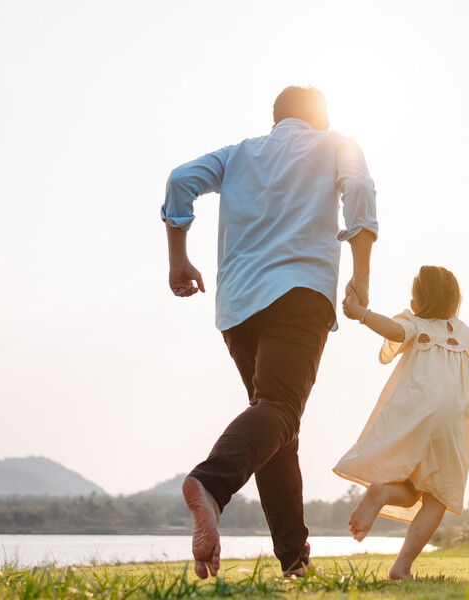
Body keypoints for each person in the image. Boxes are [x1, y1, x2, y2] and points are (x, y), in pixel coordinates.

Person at [160, 86, 377, 579]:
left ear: (275, 119)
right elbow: (360, 190)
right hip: (299, 292)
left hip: (237, 306)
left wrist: (179, 260)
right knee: (279, 412)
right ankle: (211, 486)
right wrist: (361, 273)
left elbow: (179, 180)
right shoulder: (337, 142)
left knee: (278, 429)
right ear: (320, 117)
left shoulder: (238, 154)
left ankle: (295, 563)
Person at [333, 266, 469, 580]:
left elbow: (394, 332)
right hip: (450, 423)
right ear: (455, 304)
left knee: (410, 489)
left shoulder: (414, 324)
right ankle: (402, 567)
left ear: (416, 304)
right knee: (437, 498)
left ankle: (381, 492)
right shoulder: (468, 336)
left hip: (415, 413)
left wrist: (361, 313)